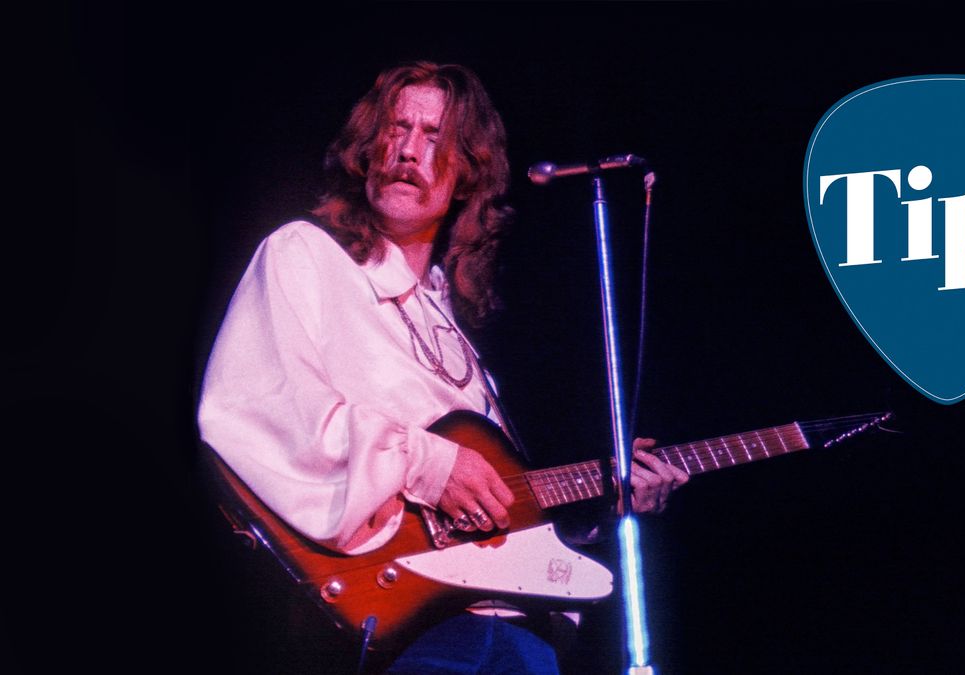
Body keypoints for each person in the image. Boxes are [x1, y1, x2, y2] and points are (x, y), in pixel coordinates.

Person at [198, 61, 688, 673]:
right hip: (407, 628)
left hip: (518, 632)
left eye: (434, 138)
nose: (407, 151)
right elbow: (258, 411)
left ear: (466, 174)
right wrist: (429, 462)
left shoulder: (448, 324)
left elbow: (501, 515)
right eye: (395, 129)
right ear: (366, 150)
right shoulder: (305, 255)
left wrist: (600, 507)